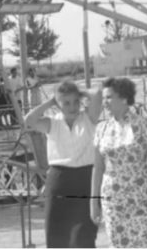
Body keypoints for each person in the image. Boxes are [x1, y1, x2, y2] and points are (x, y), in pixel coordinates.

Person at [24, 80, 102, 248]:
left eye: (76, 102)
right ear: (58, 104)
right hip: (59, 181)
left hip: (86, 180)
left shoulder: (89, 118)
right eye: (66, 103)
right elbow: (29, 120)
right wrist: (51, 101)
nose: (72, 107)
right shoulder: (53, 123)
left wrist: (80, 92)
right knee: (57, 236)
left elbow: (97, 95)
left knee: (83, 236)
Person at [91, 77, 147, 248]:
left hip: (140, 195)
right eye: (104, 98)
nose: (105, 102)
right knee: (118, 243)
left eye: (109, 97)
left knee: (146, 241)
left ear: (124, 98)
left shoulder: (145, 124)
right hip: (112, 199)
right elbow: (98, 167)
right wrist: (93, 201)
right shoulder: (102, 128)